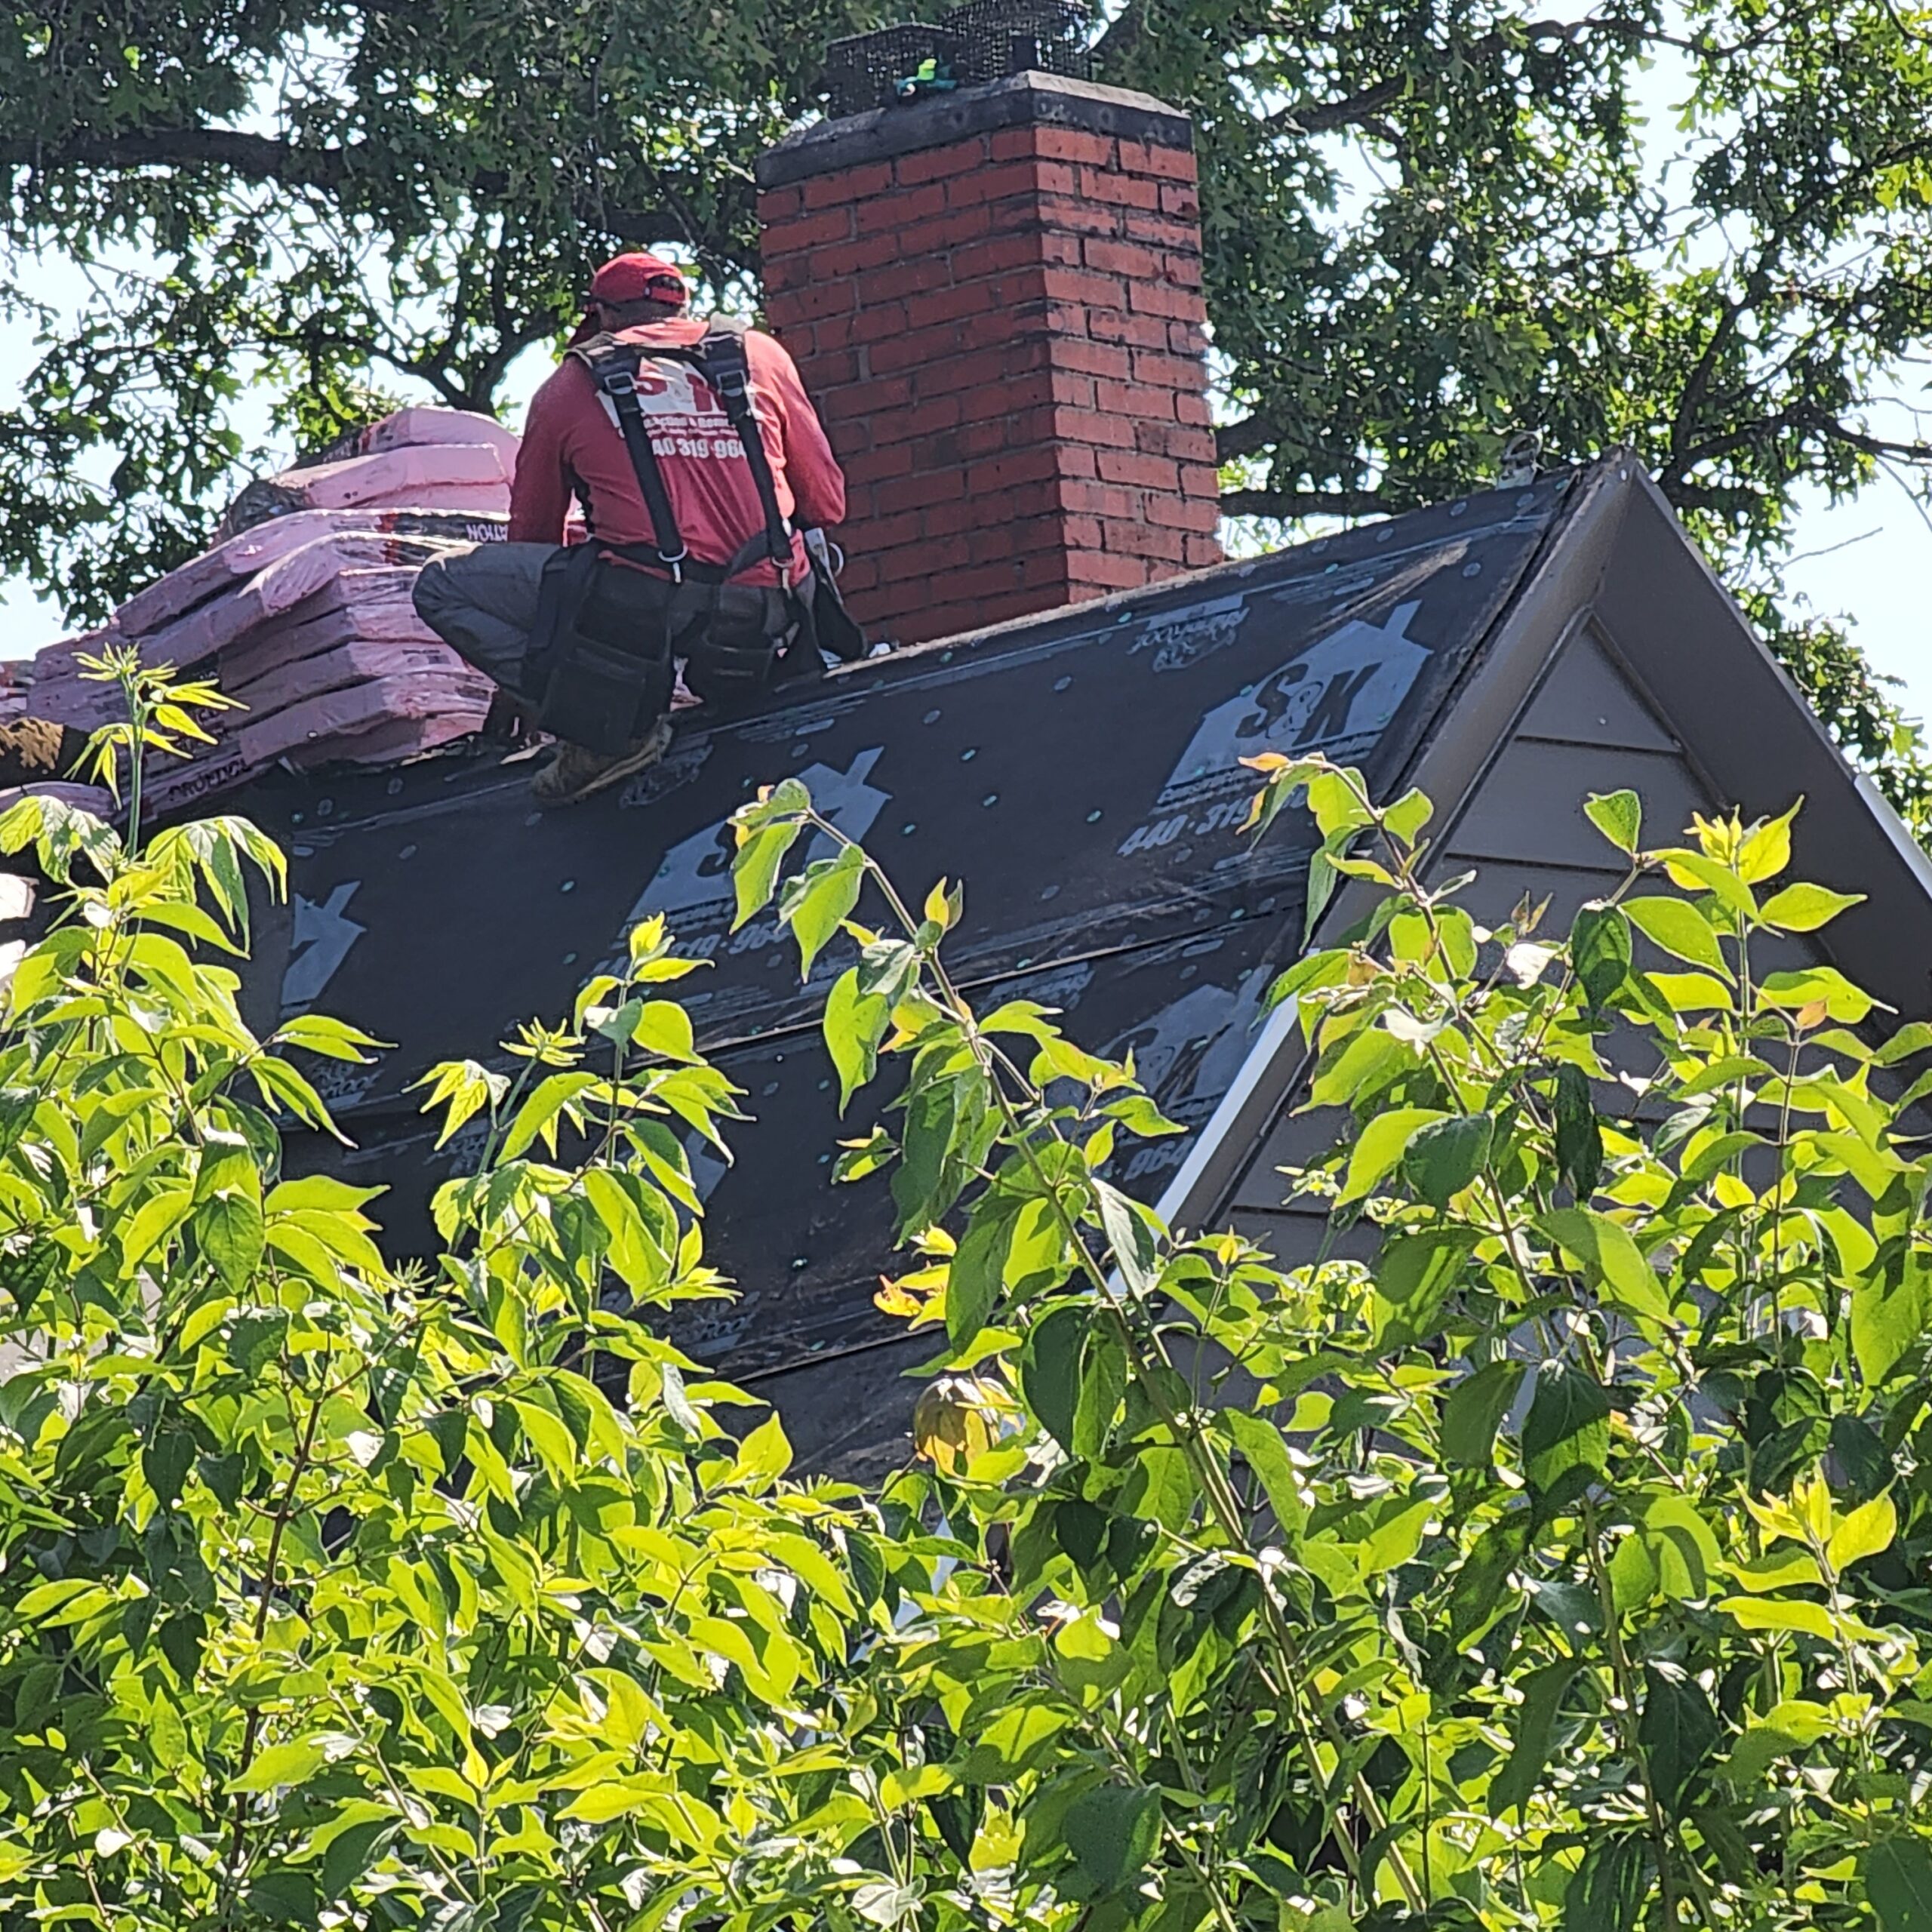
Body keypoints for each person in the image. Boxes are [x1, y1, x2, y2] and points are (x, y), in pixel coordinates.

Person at [414, 251, 854, 805]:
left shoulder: (570, 386)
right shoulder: (759, 354)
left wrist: (527, 684)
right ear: (680, 307)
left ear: (602, 315)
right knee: (812, 543)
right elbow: (826, 504)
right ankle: (798, 676)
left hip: (644, 614)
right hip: (768, 608)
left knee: (441, 584)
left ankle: (607, 734)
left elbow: (535, 537)